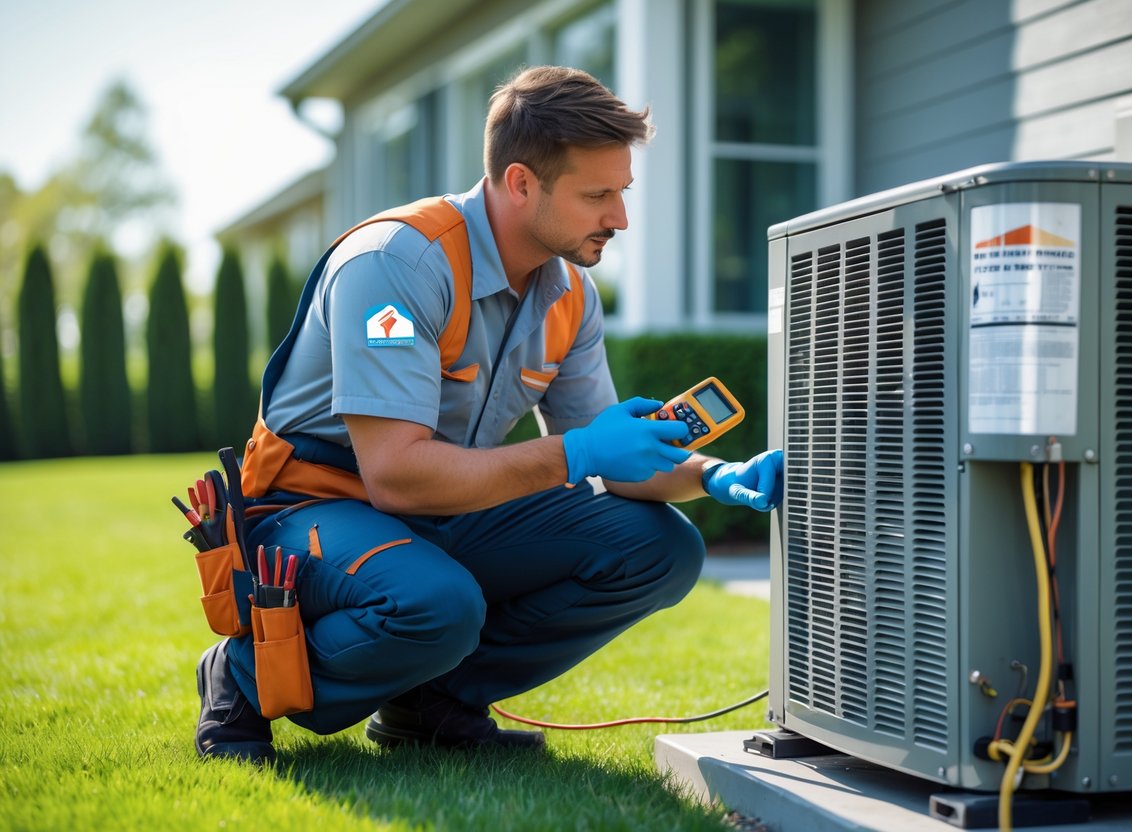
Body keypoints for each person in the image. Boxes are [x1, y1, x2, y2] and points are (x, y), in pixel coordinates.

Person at [195, 65, 783, 764]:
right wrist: (580, 454)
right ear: (519, 183)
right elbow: (397, 479)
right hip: (306, 510)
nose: (619, 218)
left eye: (621, 192)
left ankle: (431, 705)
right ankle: (238, 679)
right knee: (438, 606)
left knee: (663, 547)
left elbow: (612, 460)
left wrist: (716, 474)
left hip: (441, 510)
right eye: (596, 195)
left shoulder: (568, 294)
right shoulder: (396, 264)